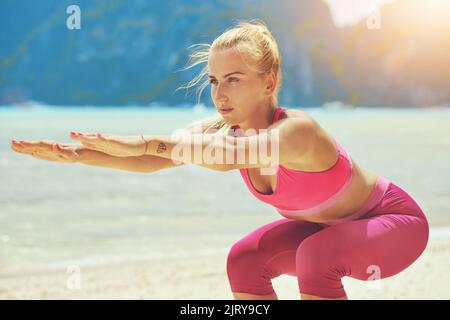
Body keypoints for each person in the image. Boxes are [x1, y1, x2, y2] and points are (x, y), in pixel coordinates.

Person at [10, 19, 429, 300]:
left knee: (315, 258)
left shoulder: (298, 132)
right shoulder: (219, 130)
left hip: (394, 227)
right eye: (213, 81)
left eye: (233, 79)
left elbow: (226, 158)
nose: (219, 93)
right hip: (330, 231)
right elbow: (158, 160)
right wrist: (78, 155)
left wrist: (140, 142)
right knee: (245, 260)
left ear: (268, 82)